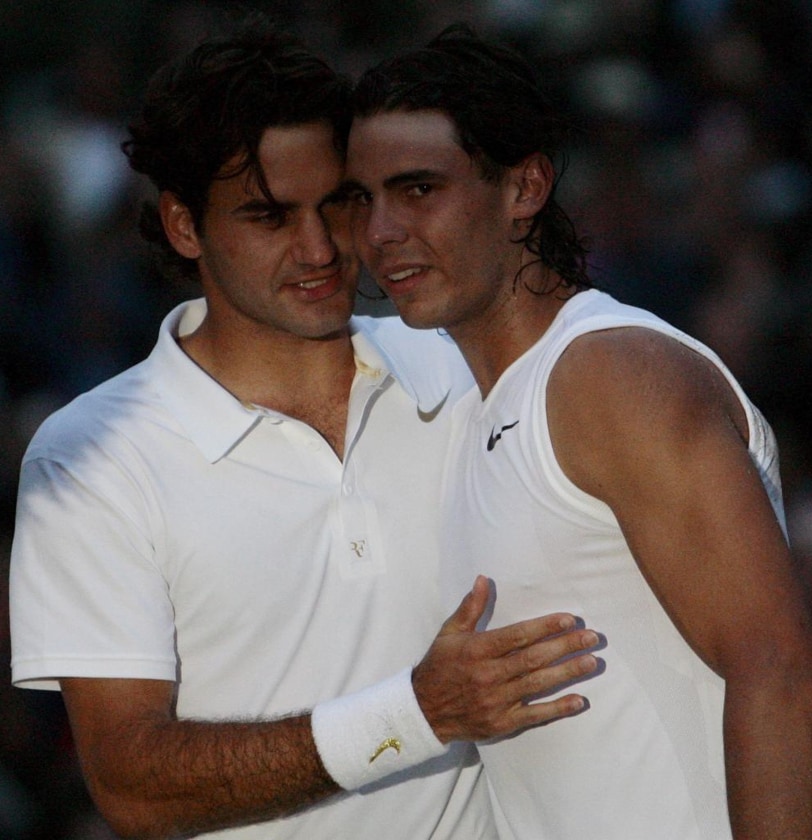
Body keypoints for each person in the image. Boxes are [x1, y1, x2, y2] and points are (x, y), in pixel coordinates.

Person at [7, 21, 602, 840]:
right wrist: (418, 712)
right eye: (269, 216)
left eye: (338, 204)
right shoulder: (89, 458)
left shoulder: (466, 369)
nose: (321, 248)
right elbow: (132, 785)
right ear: (184, 227)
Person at [343, 23, 812, 840]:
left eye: (419, 189)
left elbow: (781, 673)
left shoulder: (609, 376)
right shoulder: (477, 412)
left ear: (524, 187)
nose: (381, 231)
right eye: (363, 199)